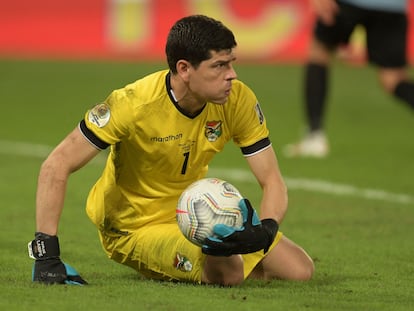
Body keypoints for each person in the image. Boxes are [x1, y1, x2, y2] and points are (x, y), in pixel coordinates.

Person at [27, 15, 314, 286]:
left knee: (300, 270)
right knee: (230, 274)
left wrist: (266, 228)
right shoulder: (133, 105)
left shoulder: (237, 100)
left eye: (231, 63)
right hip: (133, 227)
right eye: (219, 66)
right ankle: (200, 261)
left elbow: (272, 179)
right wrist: (46, 254)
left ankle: (203, 261)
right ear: (184, 69)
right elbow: (57, 164)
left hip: (193, 214)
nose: (232, 75)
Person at [284, 0, 414, 158]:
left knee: (319, 53)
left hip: (349, 4)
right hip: (392, 7)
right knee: (393, 78)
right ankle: (314, 137)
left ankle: (315, 136)